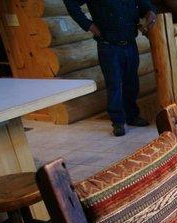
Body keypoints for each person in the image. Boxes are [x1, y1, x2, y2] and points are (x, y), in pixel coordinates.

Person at [63, 0, 157, 136]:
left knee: (132, 82)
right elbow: (70, 3)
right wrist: (88, 25)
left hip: (130, 43)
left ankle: (132, 116)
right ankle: (118, 122)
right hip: (108, 46)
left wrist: (150, 11)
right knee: (114, 84)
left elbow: (144, 4)